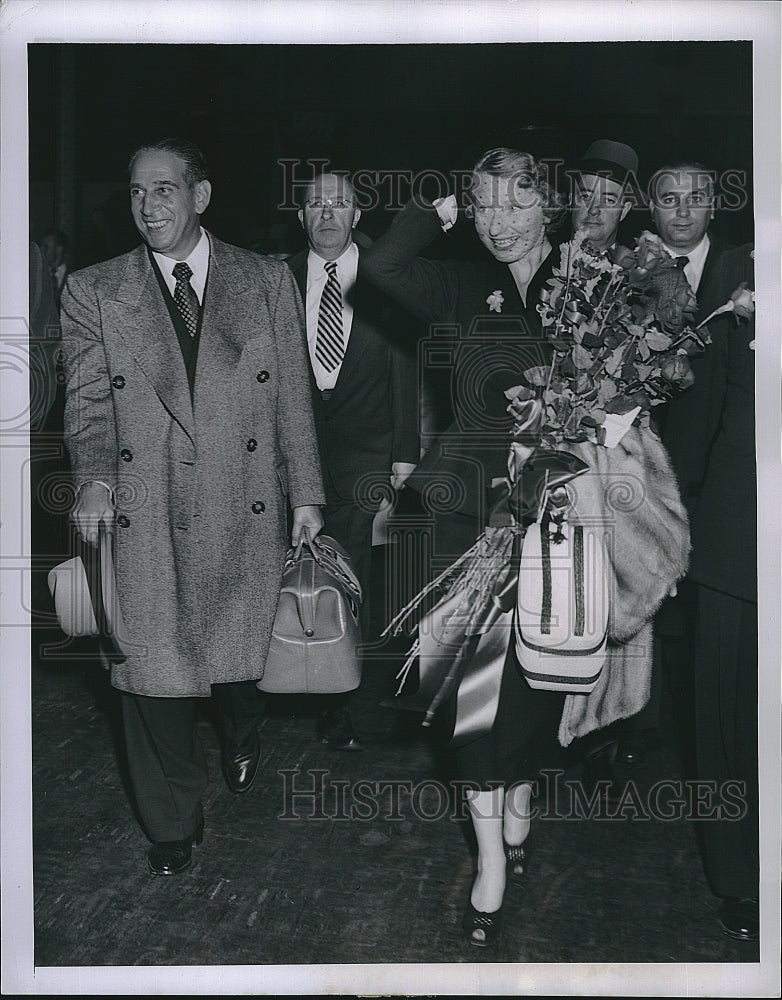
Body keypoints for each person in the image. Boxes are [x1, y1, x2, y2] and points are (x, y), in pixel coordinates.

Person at [60, 138, 324, 876]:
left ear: (200, 197)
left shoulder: (265, 278)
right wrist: (91, 479)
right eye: (138, 192)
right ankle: (172, 819)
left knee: (238, 666)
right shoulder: (94, 289)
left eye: (165, 189)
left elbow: (294, 396)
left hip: (244, 500)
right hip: (146, 504)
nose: (149, 205)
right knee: (150, 670)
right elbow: (86, 403)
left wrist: (307, 492)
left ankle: (243, 728)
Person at [362, 148, 570, 945]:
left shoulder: (586, 284)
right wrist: (443, 204)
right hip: (460, 513)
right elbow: (382, 264)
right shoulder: (455, 280)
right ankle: (487, 860)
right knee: (467, 700)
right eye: (485, 206)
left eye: (517, 204)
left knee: (535, 682)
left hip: (554, 511)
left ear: (548, 207)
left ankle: (521, 788)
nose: (500, 222)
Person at [285, 171, 419, 750]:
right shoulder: (277, 279)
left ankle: (338, 702)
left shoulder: (386, 277)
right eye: (315, 204)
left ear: (358, 214)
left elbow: (405, 367)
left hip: (367, 454)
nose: (327, 214)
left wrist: (404, 456)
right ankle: (286, 675)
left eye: (339, 204)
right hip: (292, 458)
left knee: (352, 583)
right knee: (289, 578)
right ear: (301, 216)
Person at [615, 161, 735, 768]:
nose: (683, 211)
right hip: (643, 466)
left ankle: (701, 741)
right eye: (669, 199)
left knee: (705, 616)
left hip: (722, 470)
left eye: (696, 198)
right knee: (639, 598)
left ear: (715, 206)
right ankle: (632, 733)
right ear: (652, 208)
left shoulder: (745, 272)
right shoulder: (626, 273)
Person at [668, 244, 758, 940]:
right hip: (738, 532)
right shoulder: (740, 268)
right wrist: (678, 517)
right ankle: (739, 880)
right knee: (728, 712)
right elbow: (707, 395)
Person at [569, 138, 638, 252]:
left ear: (624, 210)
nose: (594, 210)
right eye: (586, 197)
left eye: (608, 200)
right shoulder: (540, 264)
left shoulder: (637, 269)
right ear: (571, 200)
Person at [41, 228, 70, 307]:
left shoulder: (75, 275)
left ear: (59, 249)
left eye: (46, 247)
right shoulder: (37, 274)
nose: (41, 250)